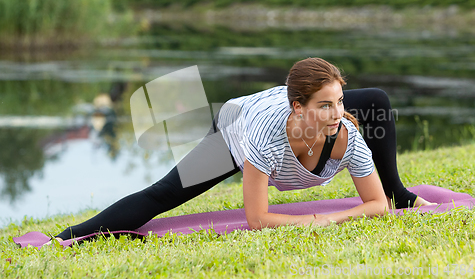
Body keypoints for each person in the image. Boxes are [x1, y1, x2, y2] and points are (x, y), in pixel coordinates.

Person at [52, 57, 434, 242]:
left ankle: (402, 194)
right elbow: (257, 219)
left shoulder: (344, 130)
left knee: (378, 99)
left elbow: (373, 204)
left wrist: (352, 212)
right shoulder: (264, 138)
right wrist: (317, 222)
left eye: (339, 102)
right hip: (237, 126)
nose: (339, 113)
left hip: (287, 110)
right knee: (165, 193)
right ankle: (67, 235)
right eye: (327, 104)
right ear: (298, 106)